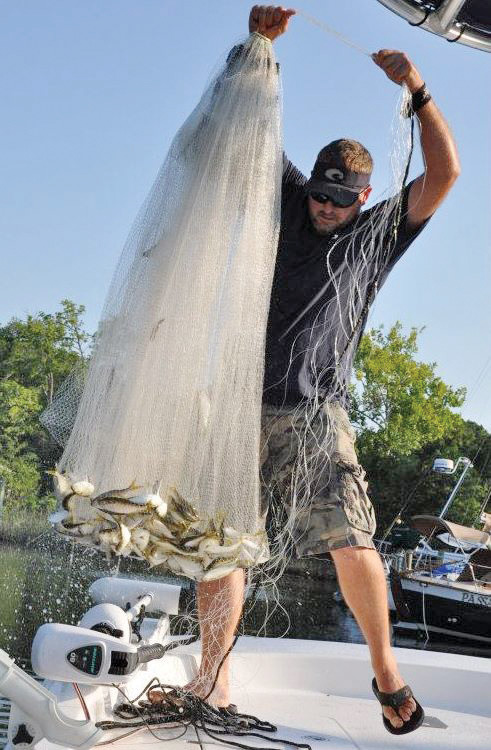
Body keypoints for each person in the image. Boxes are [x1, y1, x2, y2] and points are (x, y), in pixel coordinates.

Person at [184, 5, 460, 735]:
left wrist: (419, 89)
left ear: (360, 199)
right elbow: (239, 125)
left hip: (315, 416)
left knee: (349, 536)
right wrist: (257, 47)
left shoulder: (375, 238)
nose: (323, 207)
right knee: (222, 539)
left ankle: (385, 673)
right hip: (241, 408)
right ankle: (212, 681)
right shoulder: (285, 197)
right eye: (318, 192)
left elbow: (445, 172)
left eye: (338, 199)